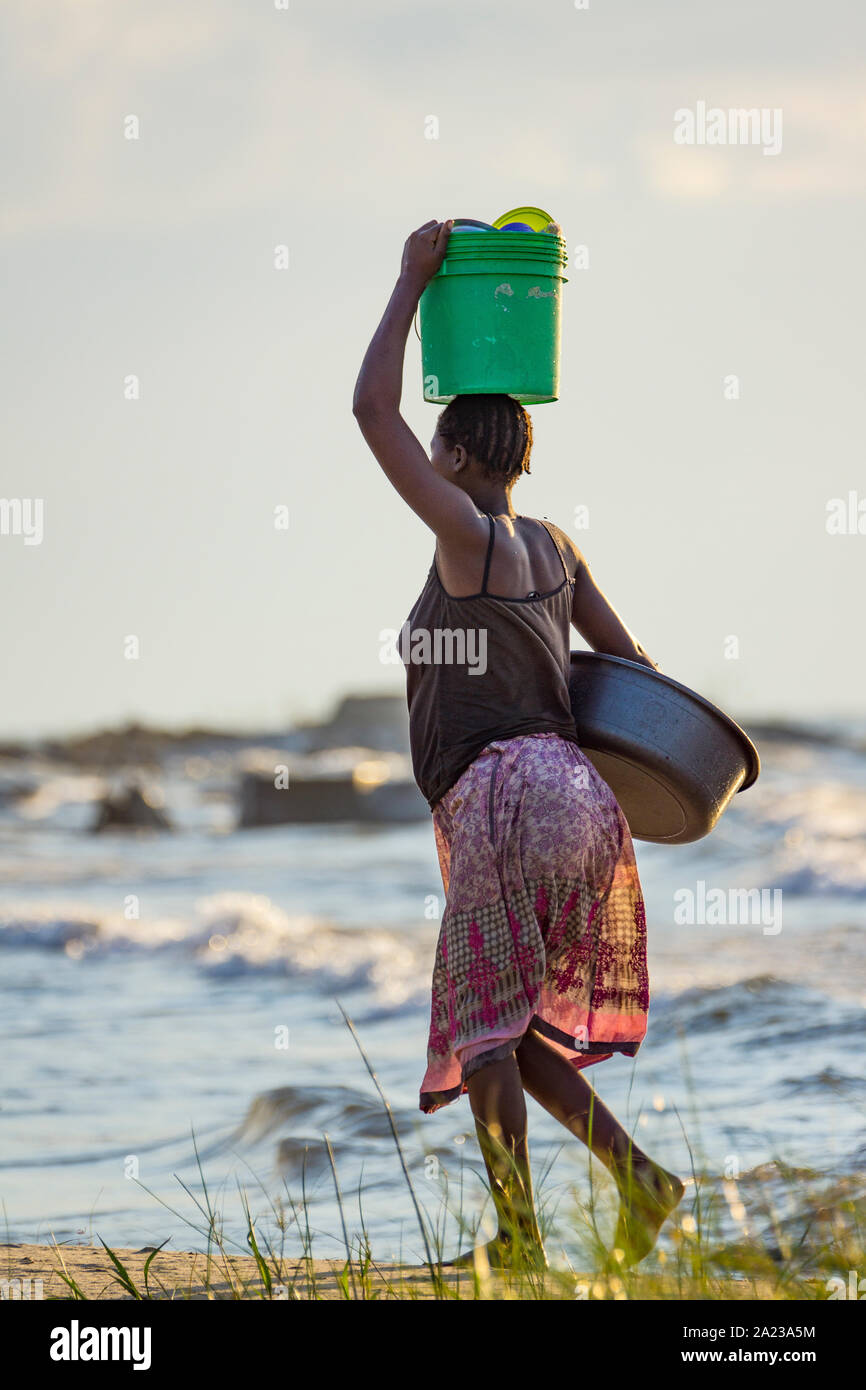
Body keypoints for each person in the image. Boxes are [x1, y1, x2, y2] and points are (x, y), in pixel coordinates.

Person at [352, 218, 684, 1273]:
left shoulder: (467, 536)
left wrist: (408, 283)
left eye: (437, 450)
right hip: (576, 798)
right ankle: (637, 1180)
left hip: (502, 796)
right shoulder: (555, 546)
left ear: (452, 459)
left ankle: (523, 1243)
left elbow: (368, 410)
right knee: (512, 1027)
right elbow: (631, 668)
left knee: (486, 1030)